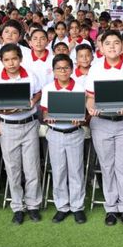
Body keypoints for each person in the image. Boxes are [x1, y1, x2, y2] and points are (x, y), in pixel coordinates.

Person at [85, 30, 123, 226]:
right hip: (101, 123)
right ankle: (111, 208)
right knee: (107, 166)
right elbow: (90, 97)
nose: (112, 46)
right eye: (107, 43)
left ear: (122, 46)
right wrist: (91, 108)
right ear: (100, 47)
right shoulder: (95, 69)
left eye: (116, 42)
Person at [0, 43, 43, 225]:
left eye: (14, 58)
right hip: (8, 126)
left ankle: (33, 205)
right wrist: (4, 112)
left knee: (32, 168)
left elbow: (38, 93)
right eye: (7, 60)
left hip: (29, 124)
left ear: (20, 58)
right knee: (13, 169)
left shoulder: (30, 75)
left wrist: (32, 101)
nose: (11, 63)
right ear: (2, 62)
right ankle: (17, 207)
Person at [40, 54, 88, 224]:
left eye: (66, 68)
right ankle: (62, 207)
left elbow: (85, 114)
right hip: (55, 133)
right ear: (53, 71)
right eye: (59, 68)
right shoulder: (48, 88)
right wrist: (48, 117)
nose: (63, 71)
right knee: (59, 171)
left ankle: (77, 207)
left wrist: (81, 118)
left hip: (74, 132)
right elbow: (44, 112)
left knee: (76, 171)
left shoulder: (80, 88)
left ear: (72, 69)